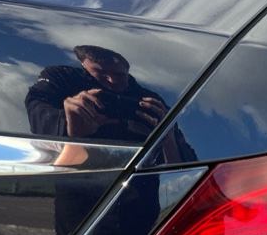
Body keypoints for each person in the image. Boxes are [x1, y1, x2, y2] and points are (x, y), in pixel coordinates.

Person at [25, 45, 194, 164]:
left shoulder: (150, 101)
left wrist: (168, 138)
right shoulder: (63, 78)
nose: (112, 80)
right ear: (84, 66)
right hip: (74, 180)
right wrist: (68, 123)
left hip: (141, 183)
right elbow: (37, 105)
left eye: (119, 75)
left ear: (127, 71)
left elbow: (181, 160)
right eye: (101, 73)